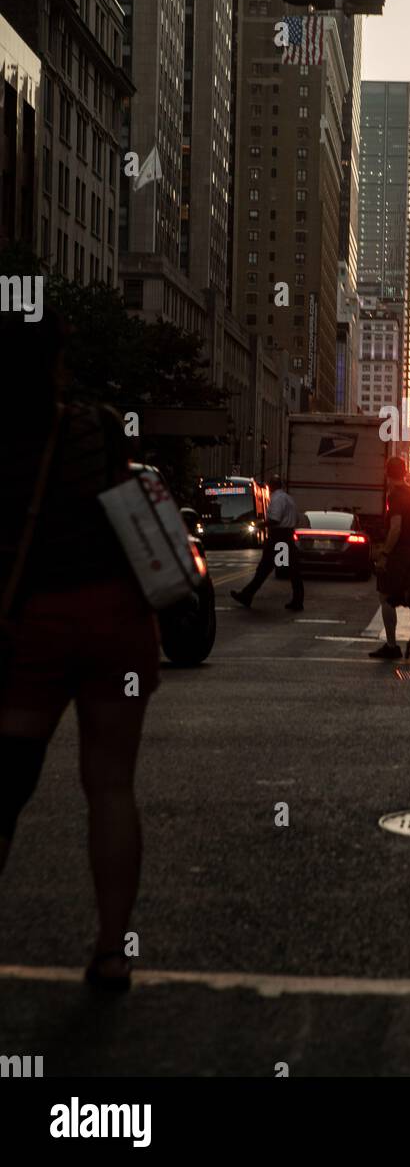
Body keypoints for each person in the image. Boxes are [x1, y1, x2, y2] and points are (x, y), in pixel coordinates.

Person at [0, 308, 160, 993]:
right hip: (116, 622)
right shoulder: (97, 424)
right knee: (112, 787)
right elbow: (132, 512)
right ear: (56, 364)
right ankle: (110, 952)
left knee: (5, 788)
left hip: (34, 628)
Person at [370, 457, 410, 661]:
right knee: (409, 595)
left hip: (400, 552)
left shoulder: (396, 496)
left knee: (386, 595)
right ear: (405, 472)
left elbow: (396, 527)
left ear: (387, 474)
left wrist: (385, 553)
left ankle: (391, 645)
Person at [231, 475, 303, 611]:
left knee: (266, 568)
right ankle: (297, 600)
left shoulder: (277, 499)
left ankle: (246, 595)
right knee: (291, 569)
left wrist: (260, 524)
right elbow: (296, 518)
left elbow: (275, 519)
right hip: (287, 535)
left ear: (271, 486)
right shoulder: (289, 498)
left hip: (278, 537)